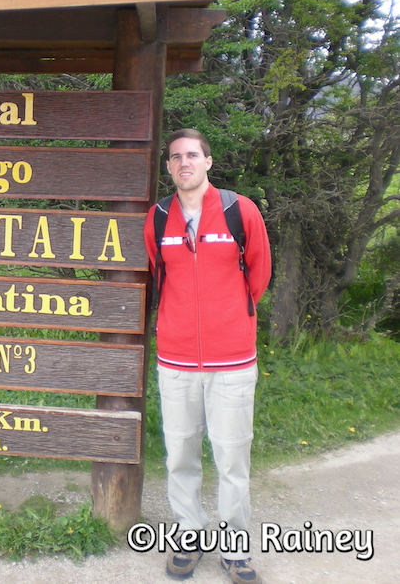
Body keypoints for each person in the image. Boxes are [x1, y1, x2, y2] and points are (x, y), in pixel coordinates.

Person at [144, 129, 272, 584]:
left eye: (192, 155)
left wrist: (230, 320)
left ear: (208, 162)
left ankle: (236, 549)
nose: (184, 163)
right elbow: (159, 276)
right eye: (176, 157)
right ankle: (189, 535)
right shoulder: (158, 217)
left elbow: (258, 274)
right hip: (176, 359)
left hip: (232, 359)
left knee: (232, 458)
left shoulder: (241, 211)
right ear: (168, 167)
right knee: (179, 453)